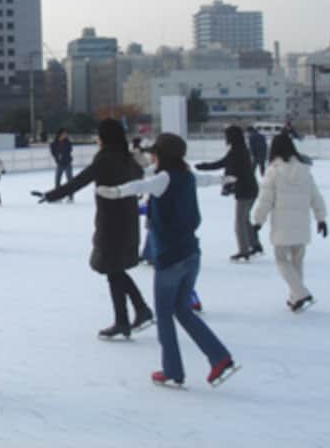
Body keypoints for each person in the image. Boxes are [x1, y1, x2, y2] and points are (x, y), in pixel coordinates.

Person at [95, 133, 239, 387]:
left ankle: (172, 369)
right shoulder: (187, 176)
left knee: (165, 314)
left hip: (171, 257)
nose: (152, 156)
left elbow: (139, 187)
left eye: (155, 152)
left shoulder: (164, 178)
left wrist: (115, 192)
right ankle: (219, 356)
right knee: (182, 309)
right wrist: (224, 179)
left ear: (162, 155)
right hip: (192, 254)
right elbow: (204, 180)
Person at [41, 119, 153, 340]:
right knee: (115, 270)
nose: (97, 138)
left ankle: (138, 311)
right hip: (127, 217)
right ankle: (128, 317)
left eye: (99, 135)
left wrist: (51, 195)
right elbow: (139, 176)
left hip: (111, 219)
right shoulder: (125, 156)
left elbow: (80, 180)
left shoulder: (105, 157)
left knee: (112, 268)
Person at [252, 133, 327, 312]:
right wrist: (321, 219)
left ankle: (300, 293)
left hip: (282, 225)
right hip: (301, 224)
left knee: (281, 260)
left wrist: (257, 221)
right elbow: (315, 196)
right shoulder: (304, 169)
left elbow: (265, 200)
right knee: (297, 262)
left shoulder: (274, 170)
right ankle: (295, 298)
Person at [195, 125, 262, 262]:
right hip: (250, 187)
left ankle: (244, 250)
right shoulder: (242, 148)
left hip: (245, 189)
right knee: (245, 219)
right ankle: (254, 245)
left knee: (240, 222)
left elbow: (223, 163)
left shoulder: (237, 150)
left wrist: (204, 166)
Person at [50, 128, 73, 195]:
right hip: (59, 164)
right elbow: (53, 152)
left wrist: (62, 154)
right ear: (60, 134)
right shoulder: (54, 143)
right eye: (64, 134)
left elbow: (69, 150)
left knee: (70, 181)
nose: (65, 135)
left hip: (67, 163)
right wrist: (57, 157)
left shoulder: (68, 142)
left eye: (66, 134)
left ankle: (70, 196)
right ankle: (57, 195)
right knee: (57, 181)